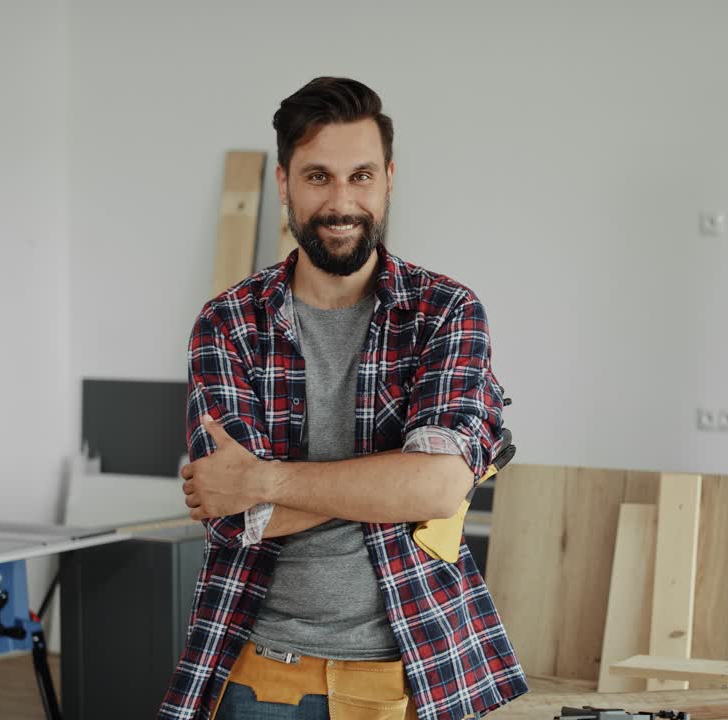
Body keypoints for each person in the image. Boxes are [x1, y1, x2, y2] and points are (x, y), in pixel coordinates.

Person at [160, 77, 527, 720]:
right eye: (318, 177)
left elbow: (437, 491)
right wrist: (393, 481)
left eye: (360, 176)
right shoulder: (227, 324)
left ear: (388, 178)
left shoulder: (446, 312)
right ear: (283, 185)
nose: (341, 201)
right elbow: (229, 516)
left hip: (413, 672)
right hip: (260, 673)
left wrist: (266, 481)